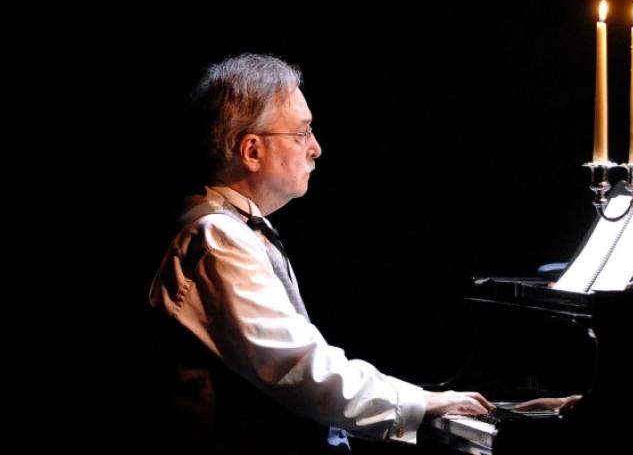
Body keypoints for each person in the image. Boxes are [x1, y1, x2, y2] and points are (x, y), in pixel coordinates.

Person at [147, 53, 495, 454]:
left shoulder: (236, 229)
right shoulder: (218, 238)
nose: (316, 148)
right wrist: (419, 403)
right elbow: (299, 368)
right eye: (302, 133)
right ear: (252, 151)